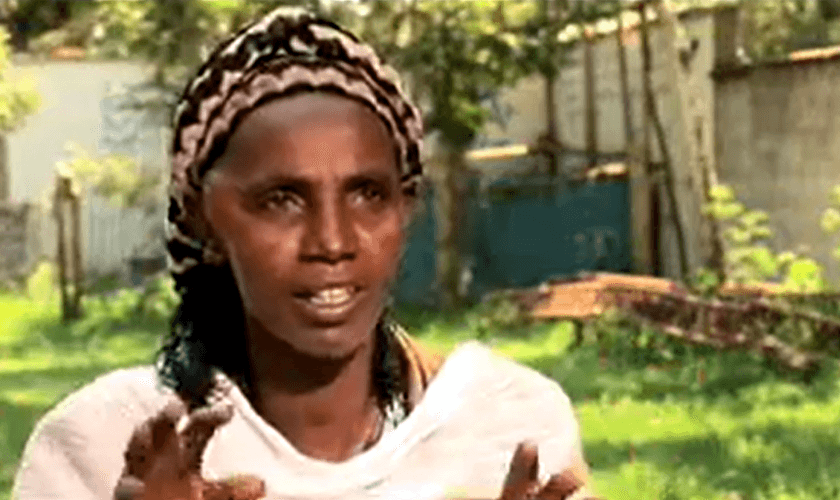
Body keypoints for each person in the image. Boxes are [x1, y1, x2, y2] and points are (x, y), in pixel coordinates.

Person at [13, 7, 598, 500]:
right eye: (282, 200)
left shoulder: (512, 426)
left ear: (406, 208)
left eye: (368, 194)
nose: (332, 242)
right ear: (202, 218)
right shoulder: (101, 445)